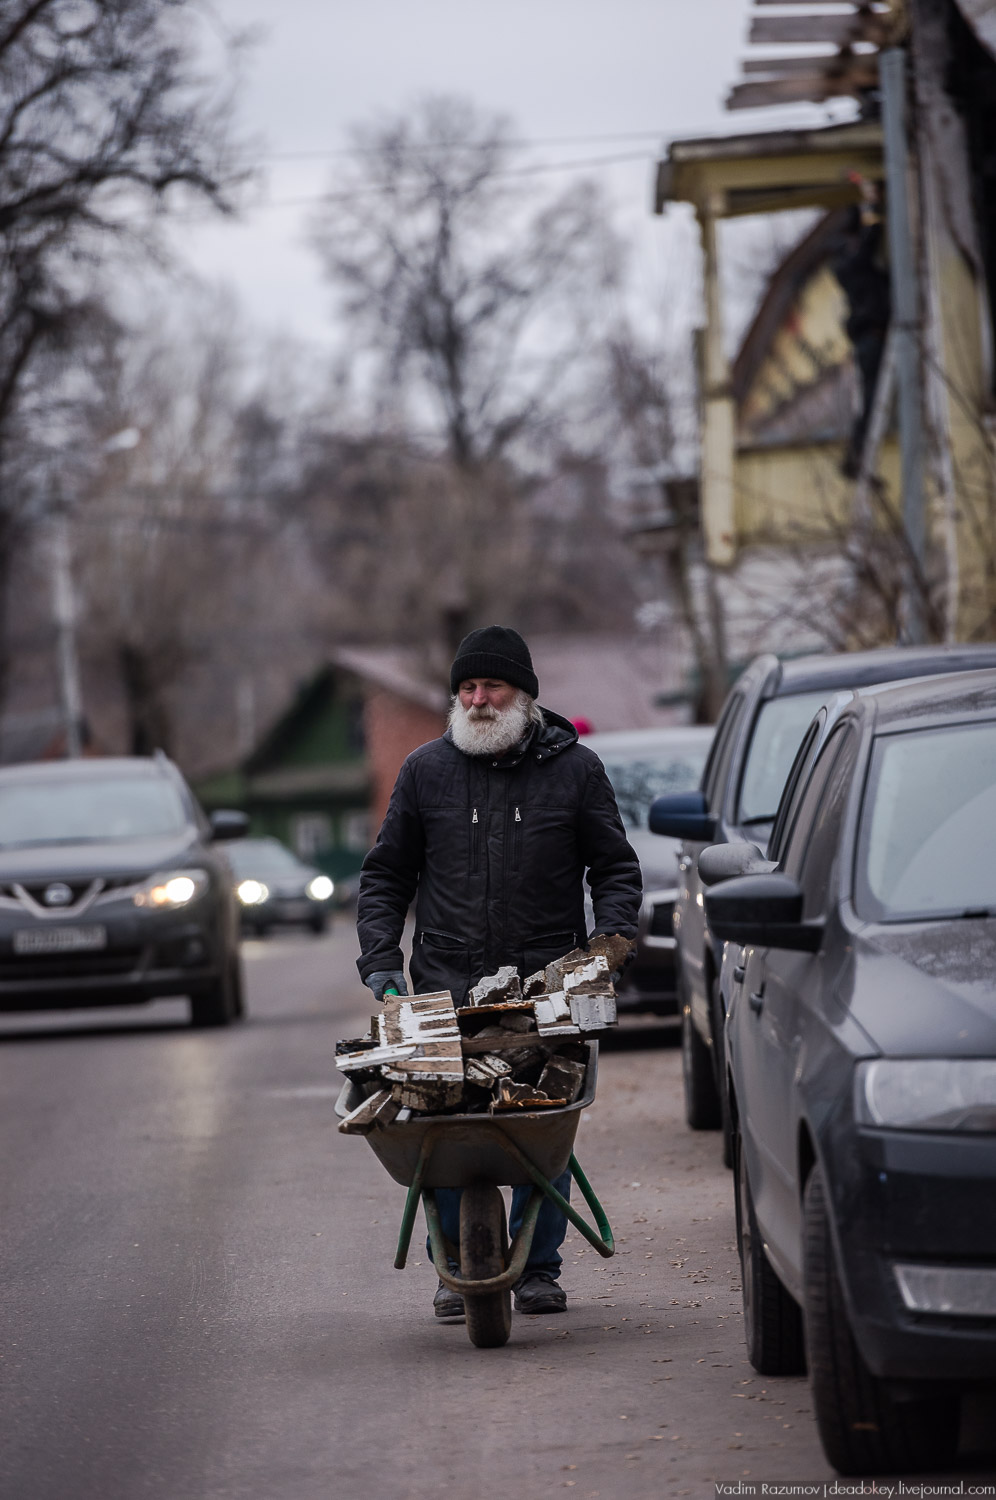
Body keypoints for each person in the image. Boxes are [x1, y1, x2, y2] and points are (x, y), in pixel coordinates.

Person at [356, 625, 642, 1319]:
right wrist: (381, 963)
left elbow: (614, 867)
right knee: (438, 1124)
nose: (479, 700)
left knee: (545, 1119)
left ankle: (538, 1266)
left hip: (546, 986)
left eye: (493, 686)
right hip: (442, 986)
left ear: (525, 694)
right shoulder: (427, 771)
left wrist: (611, 940)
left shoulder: (575, 770)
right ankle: (454, 1260)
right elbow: (387, 876)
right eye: (467, 688)